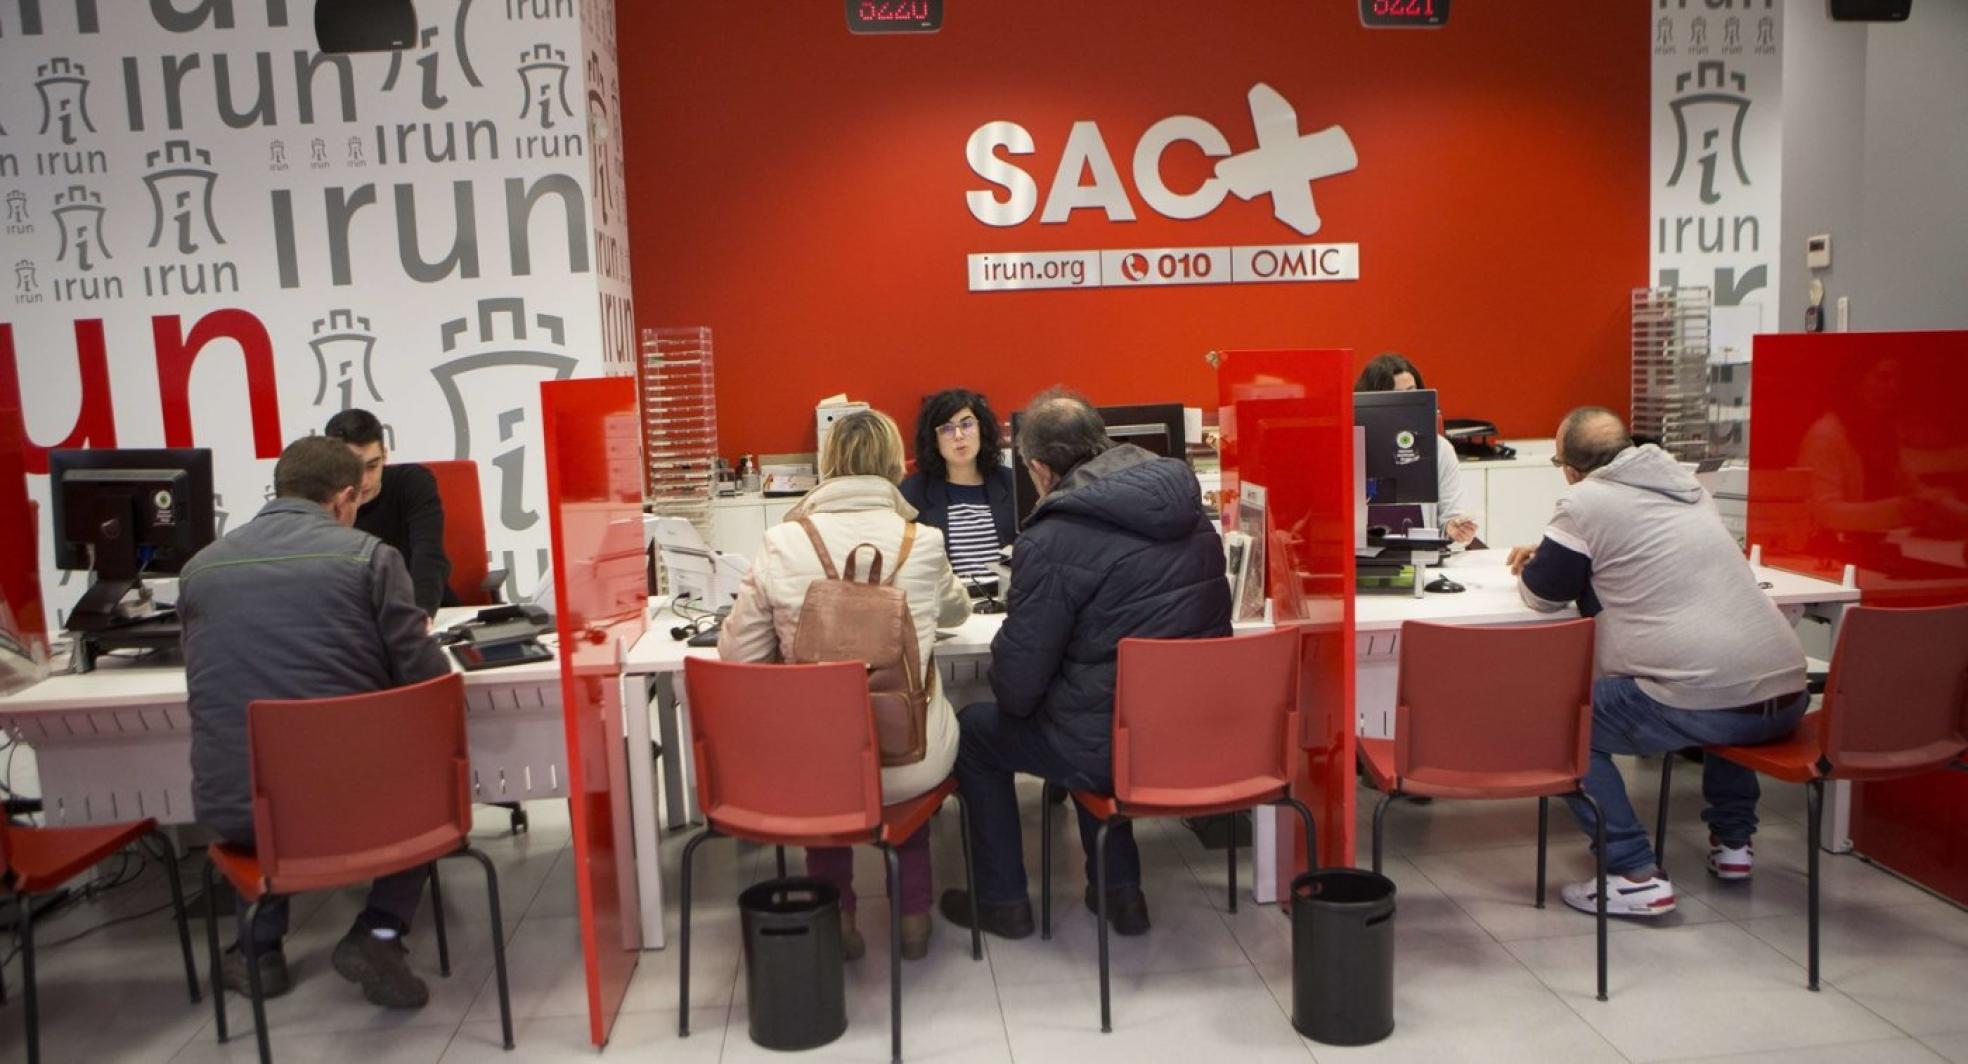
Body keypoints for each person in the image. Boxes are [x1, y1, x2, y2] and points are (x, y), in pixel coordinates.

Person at [939, 389, 1231, 939]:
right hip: (1197, 737)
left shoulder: (1051, 540)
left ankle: (1003, 901)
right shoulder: (1191, 514)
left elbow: (1016, 690)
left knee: (980, 732)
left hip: (1113, 746)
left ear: (1041, 470)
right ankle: (1120, 895)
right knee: (1091, 708)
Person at [180, 436, 451, 1007]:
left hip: (235, 807)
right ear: (343, 498)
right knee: (426, 793)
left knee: (266, 793)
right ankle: (377, 932)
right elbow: (428, 682)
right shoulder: (370, 558)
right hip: (353, 808)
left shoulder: (198, 570)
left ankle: (257, 954)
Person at [1508, 407, 1808, 917]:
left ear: (1570, 468)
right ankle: (1734, 846)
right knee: (1721, 692)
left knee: (1560, 721)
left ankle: (1631, 873)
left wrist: (1538, 562)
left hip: (1704, 698)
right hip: (1786, 691)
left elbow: (1542, 596)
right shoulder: (1688, 488)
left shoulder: (1583, 502)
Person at [718, 408, 971, 961]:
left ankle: (842, 918)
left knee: (823, 771)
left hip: (817, 767)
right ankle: (913, 919)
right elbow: (957, 612)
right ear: (892, 466)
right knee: (918, 753)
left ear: (828, 464)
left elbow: (737, 654)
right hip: (910, 762)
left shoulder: (781, 541)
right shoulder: (922, 540)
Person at [324, 409, 453, 616]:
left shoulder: (412, 483)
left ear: (384, 455)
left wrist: (420, 618)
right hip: (354, 621)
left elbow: (429, 555)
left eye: (372, 466)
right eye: (352, 469)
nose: (363, 481)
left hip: (424, 609)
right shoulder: (323, 501)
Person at [1355, 352, 1478, 545]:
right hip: (1361, 556)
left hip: (1421, 557)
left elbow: (1449, 517)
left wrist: (1453, 528)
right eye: (1396, 397)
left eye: (1412, 393)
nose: (1406, 403)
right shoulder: (1350, 447)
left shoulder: (1440, 449)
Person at [899, 388, 1016, 580]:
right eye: (947, 428)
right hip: (948, 604)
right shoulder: (912, 494)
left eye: (967, 424)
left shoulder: (1012, 484)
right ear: (934, 440)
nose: (959, 435)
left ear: (981, 429)